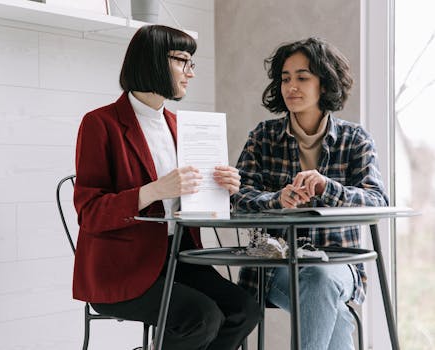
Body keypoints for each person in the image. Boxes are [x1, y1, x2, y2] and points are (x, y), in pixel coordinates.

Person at [73, 25, 259, 350]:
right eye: (183, 61)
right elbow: (90, 213)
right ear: (155, 61)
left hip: (177, 260)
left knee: (243, 310)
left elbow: (189, 205)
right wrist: (153, 191)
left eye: (192, 63)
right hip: (121, 269)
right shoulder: (100, 124)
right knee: (202, 318)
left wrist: (221, 188)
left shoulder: (179, 126)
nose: (191, 73)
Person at [233, 37, 389, 350]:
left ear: (325, 83)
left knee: (321, 278)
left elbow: (376, 200)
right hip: (275, 266)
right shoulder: (263, 136)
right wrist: (276, 200)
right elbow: (237, 196)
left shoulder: (354, 138)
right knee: (337, 314)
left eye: (302, 77)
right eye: (285, 78)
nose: (292, 86)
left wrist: (327, 188)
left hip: (339, 264)